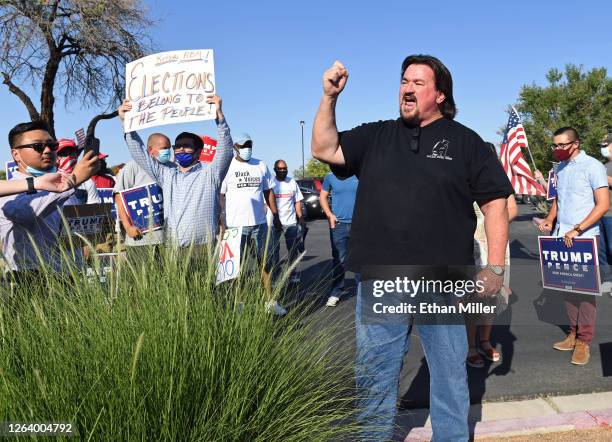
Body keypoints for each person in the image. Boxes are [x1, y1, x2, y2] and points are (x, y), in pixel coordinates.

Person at [311, 55, 513, 440]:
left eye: (419, 83)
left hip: (444, 279)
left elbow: (495, 205)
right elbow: (325, 149)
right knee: (375, 369)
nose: (407, 87)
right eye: (405, 80)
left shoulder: (466, 141)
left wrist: (496, 268)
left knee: (450, 371)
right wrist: (329, 98)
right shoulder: (376, 135)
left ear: (439, 95)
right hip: (383, 279)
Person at [118, 95, 232, 246]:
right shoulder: (167, 174)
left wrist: (219, 116)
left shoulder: (210, 174)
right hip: (173, 250)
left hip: (203, 249)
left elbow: (226, 151)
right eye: (177, 146)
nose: (180, 149)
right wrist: (127, 122)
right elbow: (140, 153)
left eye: (186, 146)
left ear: (198, 152)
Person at [538, 127, 609, 365]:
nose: (557, 150)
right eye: (555, 145)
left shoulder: (593, 166)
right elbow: (560, 199)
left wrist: (578, 228)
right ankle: (572, 333)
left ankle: (584, 342)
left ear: (575, 144)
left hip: (585, 237)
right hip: (561, 236)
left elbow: (603, 205)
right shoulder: (561, 168)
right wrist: (550, 218)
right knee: (566, 287)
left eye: (561, 145)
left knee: (585, 292)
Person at [0, 121, 99, 280]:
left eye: (52, 145)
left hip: (72, 276)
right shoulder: (9, 190)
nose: (47, 151)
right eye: (38, 146)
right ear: (16, 154)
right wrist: (73, 181)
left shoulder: (66, 184)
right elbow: (27, 213)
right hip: (30, 278)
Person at [219, 133, 285, 315]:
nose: (247, 148)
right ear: (235, 148)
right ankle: (238, 304)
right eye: (243, 145)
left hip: (259, 224)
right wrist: (222, 221)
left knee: (265, 264)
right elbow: (221, 195)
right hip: (234, 226)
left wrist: (276, 215)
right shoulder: (227, 167)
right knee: (235, 269)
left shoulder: (260, 165)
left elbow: (268, 192)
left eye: (249, 144)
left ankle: (271, 302)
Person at [467, 142, 518, 368]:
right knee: (474, 300)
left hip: (496, 245)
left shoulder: (499, 178)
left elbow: (513, 209)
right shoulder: (464, 176)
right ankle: (469, 345)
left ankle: (485, 341)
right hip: (472, 244)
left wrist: (494, 223)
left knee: (492, 297)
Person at [113, 133, 173, 257]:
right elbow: (119, 197)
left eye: (169, 148)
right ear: (151, 150)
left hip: (168, 239)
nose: (168, 152)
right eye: (164, 149)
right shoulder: (132, 167)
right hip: (140, 240)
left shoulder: (172, 168)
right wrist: (128, 227)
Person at [319, 171, 358, 307]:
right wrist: (330, 215)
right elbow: (322, 197)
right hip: (338, 225)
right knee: (339, 260)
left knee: (360, 259)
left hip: (358, 225)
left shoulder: (357, 174)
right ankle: (335, 293)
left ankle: (363, 294)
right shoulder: (330, 177)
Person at [269, 159, 305, 284]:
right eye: (280, 169)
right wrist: (272, 218)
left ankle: (293, 274)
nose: (283, 171)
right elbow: (266, 203)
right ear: (275, 170)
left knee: (293, 250)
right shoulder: (270, 182)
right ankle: (275, 276)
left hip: (290, 222)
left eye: (285, 169)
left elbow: (297, 201)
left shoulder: (292, 182)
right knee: (274, 252)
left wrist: (300, 217)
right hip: (274, 223)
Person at [56, 138, 101, 204]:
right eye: (63, 153)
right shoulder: (50, 179)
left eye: (71, 152)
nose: (68, 156)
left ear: (76, 156)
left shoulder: (87, 182)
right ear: (56, 157)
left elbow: (94, 208)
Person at [597, 133, 612, 295]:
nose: (603, 148)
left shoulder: (603, 170)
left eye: (605, 145)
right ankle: (607, 280)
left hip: (611, 215)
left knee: (611, 247)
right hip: (598, 212)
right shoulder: (601, 165)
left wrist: (604, 177)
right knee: (601, 249)